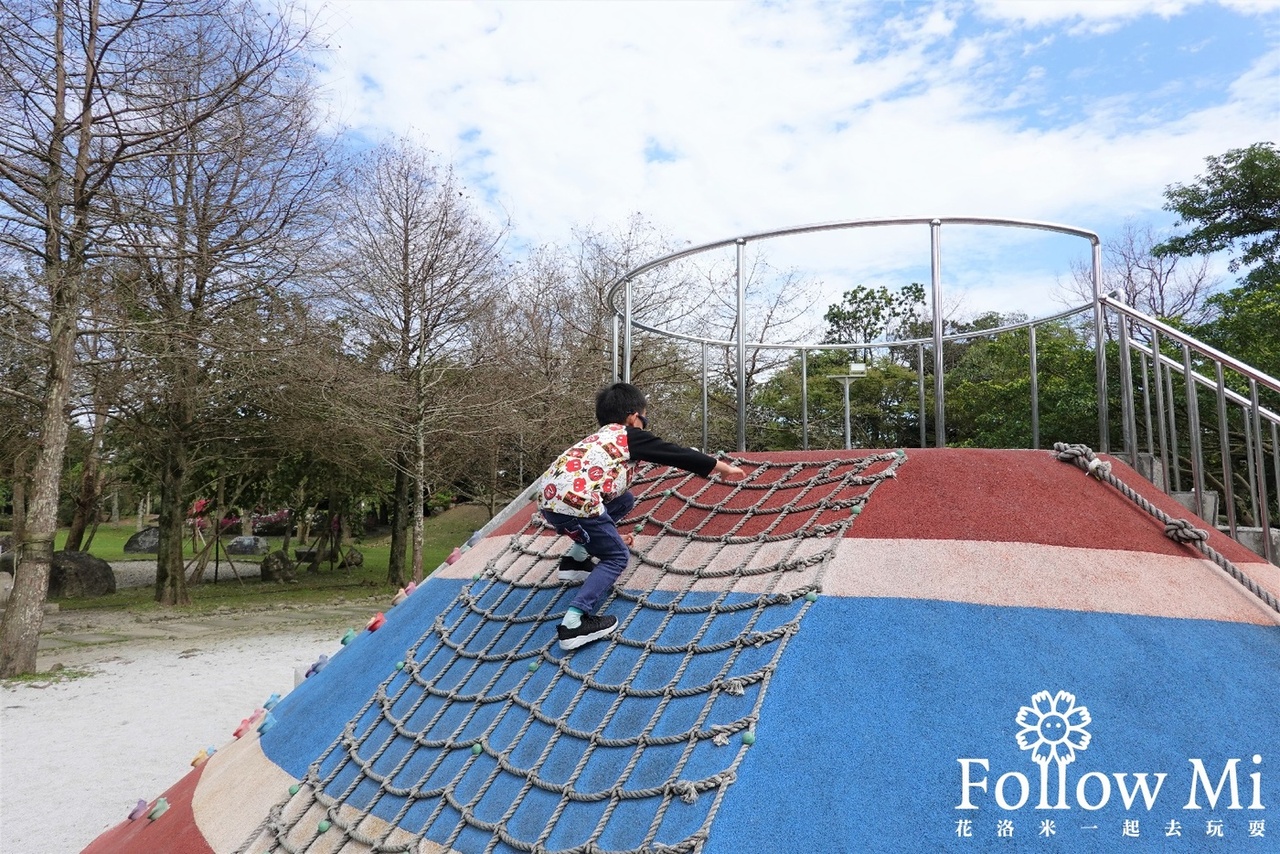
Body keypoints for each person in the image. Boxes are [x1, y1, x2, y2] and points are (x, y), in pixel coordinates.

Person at [537, 382, 745, 650]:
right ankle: (574, 623)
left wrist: (611, 533)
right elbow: (674, 453)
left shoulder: (595, 439)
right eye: (644, 419)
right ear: (634, 417)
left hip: (551, 503)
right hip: (580, 505)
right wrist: (721, 467)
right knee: (616, 557)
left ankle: (575, 560)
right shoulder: (627, 435)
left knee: (625, 500)